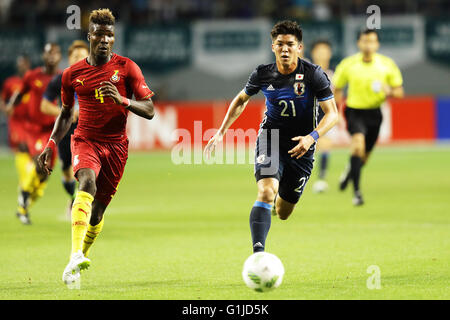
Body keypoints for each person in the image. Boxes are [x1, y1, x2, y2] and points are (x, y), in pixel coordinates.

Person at [36, 8, 155, 286]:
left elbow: (149, 109)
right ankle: (75, 252)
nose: (105, 40)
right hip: (86, 139)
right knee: (86, 182)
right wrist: (51, 143)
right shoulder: (72, 74)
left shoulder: (127, 68)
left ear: (114, 38)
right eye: (99, 34)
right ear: (90, 36)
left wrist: (123, 101)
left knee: (98, 212)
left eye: (110, 35)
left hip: (116, 148)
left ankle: (77, 261)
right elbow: (66, 113)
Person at [204, 20, 338, 254]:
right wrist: (221, 132)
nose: (285, 49)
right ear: (273, 47)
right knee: (265, 191)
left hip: (303, 147)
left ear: (299, 47)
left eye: (290, 44)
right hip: (271, 138)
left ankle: (276, 205)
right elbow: (240, 100)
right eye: (280, 44)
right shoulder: (263, 73)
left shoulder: (314, 75)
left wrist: (311, 137)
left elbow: (332, 114)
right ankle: (258, 255)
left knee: (284, 212)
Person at [333, 28, 404, 206]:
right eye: (365, 41)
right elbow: (338, 90)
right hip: (354, 111)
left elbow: (399, 92)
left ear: (377, 44)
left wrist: (389, 90)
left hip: (375, 113)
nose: (368, 45)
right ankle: (357, 193)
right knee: (357, 147)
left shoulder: (387, 64)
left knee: (364, 156)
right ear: (359, 43)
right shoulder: (348, 64)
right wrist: (335, 111)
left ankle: (350, 172)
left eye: (372, 41)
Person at [12, 44, 62, 225]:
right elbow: (20, 93)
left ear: (59, 56)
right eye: (48, 52)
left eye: (55, 53)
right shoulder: (32, 76)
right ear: (43, 55)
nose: (51, 56)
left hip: (52, 131)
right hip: (34, 130)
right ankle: (23, 201)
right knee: (39, 163)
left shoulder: (62, 76)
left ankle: (24, 202)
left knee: (45, 174)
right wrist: (12, 105)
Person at [40, 40, 89, 215]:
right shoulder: (60, 79)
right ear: (69, 59)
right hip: (66, 129)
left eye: (83, 57)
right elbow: (44, 105)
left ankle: (83, 202)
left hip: (89, 129)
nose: (79, 59)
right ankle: (73, 197)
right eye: (75, 56)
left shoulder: (96, 78)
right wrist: (65, 111)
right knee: (67, 170)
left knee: (87, 168)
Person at [0, 55, 32, 196]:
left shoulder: (33, 81)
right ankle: (24, 183)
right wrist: (6, 109)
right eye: (19, 64)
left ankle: (27, 182)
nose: (21, 66)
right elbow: (2, 99)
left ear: (28, 65)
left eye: (24, 64)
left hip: (31, 122)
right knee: (21, 147)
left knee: (32, 152)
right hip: (16, 122)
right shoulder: (10, 82)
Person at [310, 40, 335, 193]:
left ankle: (321, 179)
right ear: (313, 54)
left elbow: (335, 99)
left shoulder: (333, 75)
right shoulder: (304, 72)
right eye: (319, 51)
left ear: (330, 54)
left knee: (325, 145)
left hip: (323, 115)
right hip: (304, 116)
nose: (321, 54)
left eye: (325, 51)